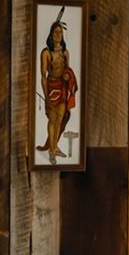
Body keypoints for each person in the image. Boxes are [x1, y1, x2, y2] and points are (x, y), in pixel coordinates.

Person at [38, 9, 78, 161]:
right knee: (52, 118)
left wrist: (68, 75)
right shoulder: (46, 53)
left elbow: (67, 70)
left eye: (60, 33)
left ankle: (54, 148)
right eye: (55, 32)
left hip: (62, 87)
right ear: (51, 34)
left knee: (60, 118)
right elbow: (43, 76)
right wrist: (47, 97)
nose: (58, 35)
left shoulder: (65, 52)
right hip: (51, 87)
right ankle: (51, 150)